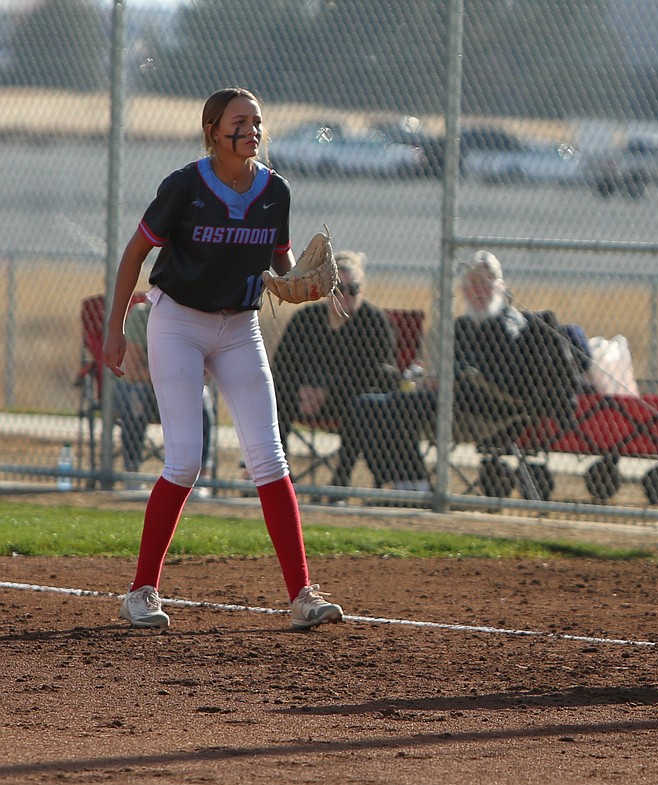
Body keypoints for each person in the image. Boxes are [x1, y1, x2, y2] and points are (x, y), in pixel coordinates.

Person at [102, 87, 344, 631]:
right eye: (240, 121)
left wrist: (294, 283)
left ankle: (302, 595)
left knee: (269, 457)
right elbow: (135, 254)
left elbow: (278, 264)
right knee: (185, 460)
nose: (252, 130)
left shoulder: (275, 190)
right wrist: (115, 327)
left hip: (240, 326)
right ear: (213, 129)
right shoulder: (185, 185)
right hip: (178, 321)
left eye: (257, 121)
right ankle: (140, 592)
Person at [354, 250, 580, 492]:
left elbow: (508, 379)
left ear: (500, 287)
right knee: (368, 405)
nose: (478, 290)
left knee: (399, 407)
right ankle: (405, 481)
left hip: (491, 412)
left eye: (485, 282)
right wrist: (432, 379)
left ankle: (414, 485)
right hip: (449, 403)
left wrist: (458, 377)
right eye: (471, 283)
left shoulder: (510, 326)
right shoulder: (460, 327)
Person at [271, 249, 400, 494]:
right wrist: (305, 388)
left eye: (353, 289)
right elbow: (283, 364)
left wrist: (326, 390)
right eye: (338, 288)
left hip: (348, 399)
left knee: (362, 405)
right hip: (302, 397)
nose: (345, 295)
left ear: (363, 290)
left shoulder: (374, 322)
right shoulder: (306, 319)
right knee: (276, 393)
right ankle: (281, 474)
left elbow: (375, 374)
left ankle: (340, 482)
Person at [115, 300, 215, 495]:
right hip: (148, 393)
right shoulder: (142, 315)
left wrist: (172, 373)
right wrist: (176, 373)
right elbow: (134, 373)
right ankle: (132, 473)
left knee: (202, 397)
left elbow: (206, 371)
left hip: (182, 390)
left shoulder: (197, 316)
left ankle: (201, 476)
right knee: (137, 396)